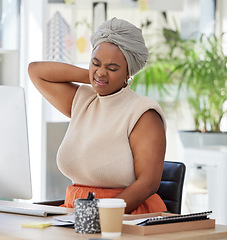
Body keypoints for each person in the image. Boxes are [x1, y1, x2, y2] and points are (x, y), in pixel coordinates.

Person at [28, 17, 167, 214]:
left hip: (123, 215)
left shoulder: (143, 113)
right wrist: (96, 78)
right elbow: (36, 71)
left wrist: (102, 214)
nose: (102, 72)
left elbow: (148, 183)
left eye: (112, 68)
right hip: (74, 211)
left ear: (128, 73)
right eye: (96, 63)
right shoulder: (84, 100)